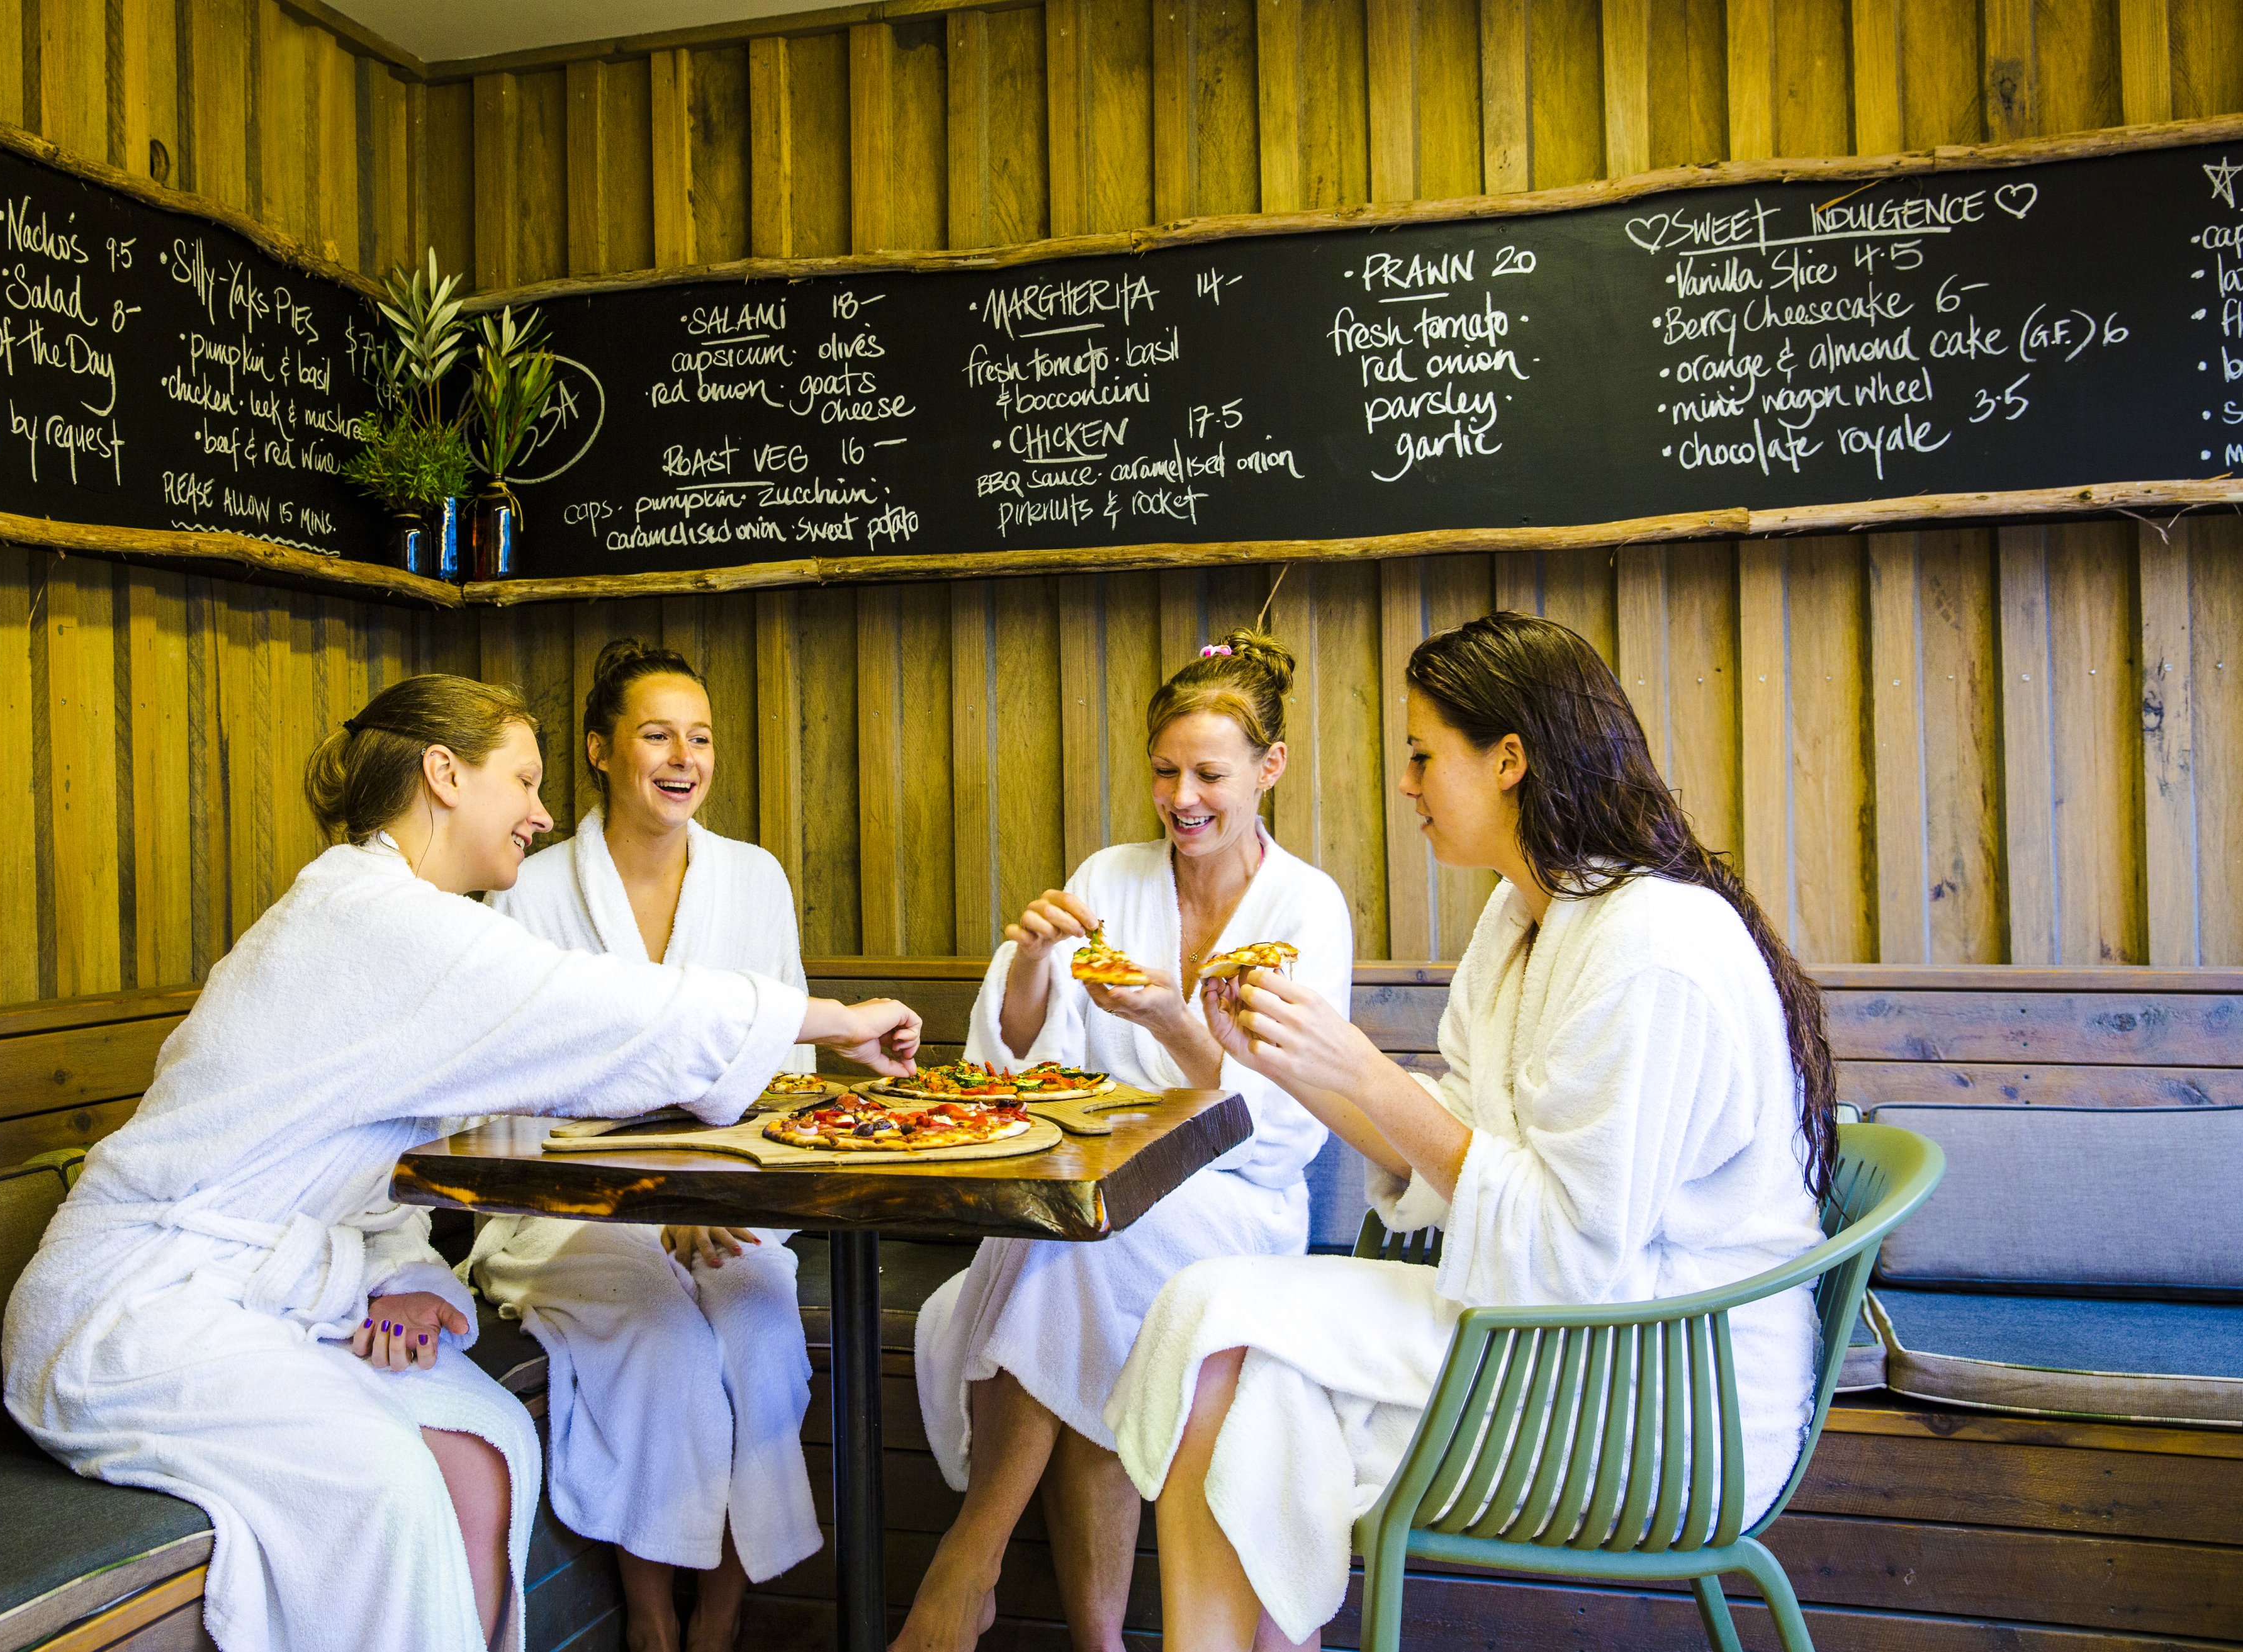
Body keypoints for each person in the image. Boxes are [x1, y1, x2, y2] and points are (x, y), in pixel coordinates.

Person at [2, 673, 922, 1652]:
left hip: (260, 1288)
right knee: (389, 1484)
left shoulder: (405, 918)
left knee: (488, 1443)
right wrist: (831, 1019)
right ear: (444, 774)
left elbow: (357, 1142)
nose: (543, 810)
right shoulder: (371, 917)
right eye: (522, 781)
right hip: (132, 1312)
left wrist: (400, 1273)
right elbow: (603, 1009)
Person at [1108, 612, 1835, 1652]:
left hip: (1667, 1390)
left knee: (1222, 1326)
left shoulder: (1653, 949)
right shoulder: (1519, 919)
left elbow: (1572, 1246)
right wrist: (1296, 1066)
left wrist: (1358, 1064)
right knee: (1229, 1350)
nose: (1405, 783)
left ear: (1508, 761)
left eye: (1420, 753)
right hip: (1559, 1329)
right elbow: (1464, 1151)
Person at [896, 629, 1354, 1652]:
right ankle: (1087, 1636)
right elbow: (1015, 1065)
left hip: (1239, 1203)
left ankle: (970, 1561)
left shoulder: (1307, 907)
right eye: (1163, 769)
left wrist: (1171, 1022)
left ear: (1269, 770)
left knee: (1075, 1242)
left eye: (1209, 773)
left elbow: (1280, 1133)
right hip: (1101, 1181)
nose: (1181, 796)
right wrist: (1027, 962)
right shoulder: (1112, 872)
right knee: (1085, 1250)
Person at [469, 640, 819, 1652]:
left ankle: (723, 1613)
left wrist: (703, 1194)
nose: (684, 757)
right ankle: (655, 1619)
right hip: (567, 1203)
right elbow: (521, 1094)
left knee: (758, 1330)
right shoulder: (529, 893)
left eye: (700, 737)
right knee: (665, 1341)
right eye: (657, 733)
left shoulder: (753, 881)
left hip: (727, 1194)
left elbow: (782, 1069)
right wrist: (644, 1198)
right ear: (599, 750)